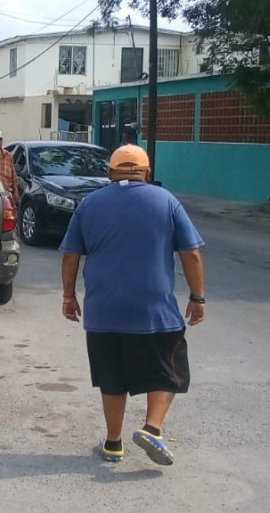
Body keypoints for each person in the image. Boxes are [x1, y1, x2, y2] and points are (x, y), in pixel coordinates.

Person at [59, 144, 207, 466]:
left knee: (111, 378)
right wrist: (197, 298)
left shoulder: (89, 204)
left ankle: (113, 444)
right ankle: (152, 429)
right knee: (167, 372)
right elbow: (191, 254)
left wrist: (69, 296)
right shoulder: (166, 201)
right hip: (154, 312)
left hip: (103, 312)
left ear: (110, 173)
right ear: (147, 173)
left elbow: (71, 256)